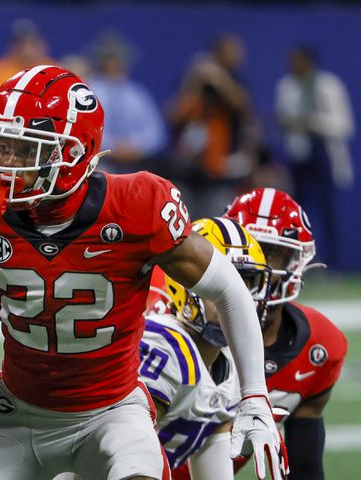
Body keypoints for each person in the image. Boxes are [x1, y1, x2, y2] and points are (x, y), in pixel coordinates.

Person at [0, 66, 288, 480]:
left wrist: (254, 396)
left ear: (73, 154)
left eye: (23, 149)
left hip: (113, 412)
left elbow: (228, 289)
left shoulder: (137, 205)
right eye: (0, 144)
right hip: (17, 416)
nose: (3, 163)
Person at [225, 188, 348, 480]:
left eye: (270, 253)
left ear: (296, 263)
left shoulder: (318, 346)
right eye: (249, 249)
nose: (258, 265)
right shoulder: (179, 326)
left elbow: (305, 469)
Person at [142, 217, 271, 480]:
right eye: (227, 281)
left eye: (248, 282)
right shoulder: (163, 348)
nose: (239, 295)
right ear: (184, 284)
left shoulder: (233, 367)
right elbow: (113, 454)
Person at [275, 46, 355, 267]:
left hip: (323, 153)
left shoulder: (328, 85)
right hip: (299, 155)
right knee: (297, 213)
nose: (293, 66)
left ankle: (333, 265)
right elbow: (284, 119)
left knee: (328, 212)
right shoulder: (287, 87)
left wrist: (311, 122)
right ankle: (297, 264)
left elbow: (344, 124)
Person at [167, 33, 259, 218]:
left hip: (219, 173)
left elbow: (243, 106)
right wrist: (195, 80)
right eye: (232, 51)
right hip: (188, 171)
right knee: (185, 229)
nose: (238, 56)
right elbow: (174, 115)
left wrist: (220, 80)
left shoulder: (235, 81)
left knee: (216, 228)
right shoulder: (194, 83)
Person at [85, 32, 166, 174]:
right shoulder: (89, 90)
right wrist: (113, 147)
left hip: (137, 162)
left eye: (118, 58)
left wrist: (136, 147)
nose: (115, 63)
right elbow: (85, 129)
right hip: (100, 162)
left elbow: (156, 133)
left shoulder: (137, 93)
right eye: (110, 58)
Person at [0, 18, 53, 124]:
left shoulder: (54, 72)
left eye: (32, 44)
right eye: (21, 45)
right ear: (11, 47)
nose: (27, 50)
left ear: (42, 44)